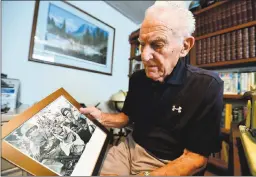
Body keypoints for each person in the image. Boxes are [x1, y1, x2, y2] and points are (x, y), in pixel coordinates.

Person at [80, 1, 224, 176]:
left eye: (157, 44)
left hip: (169, 163)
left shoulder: (207, 85)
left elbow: (196, 159)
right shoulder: (138, 79)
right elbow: (126, 117)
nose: (144, 56)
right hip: (128, 148)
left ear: (185, 46)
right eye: (142, 44)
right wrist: (100, 117)